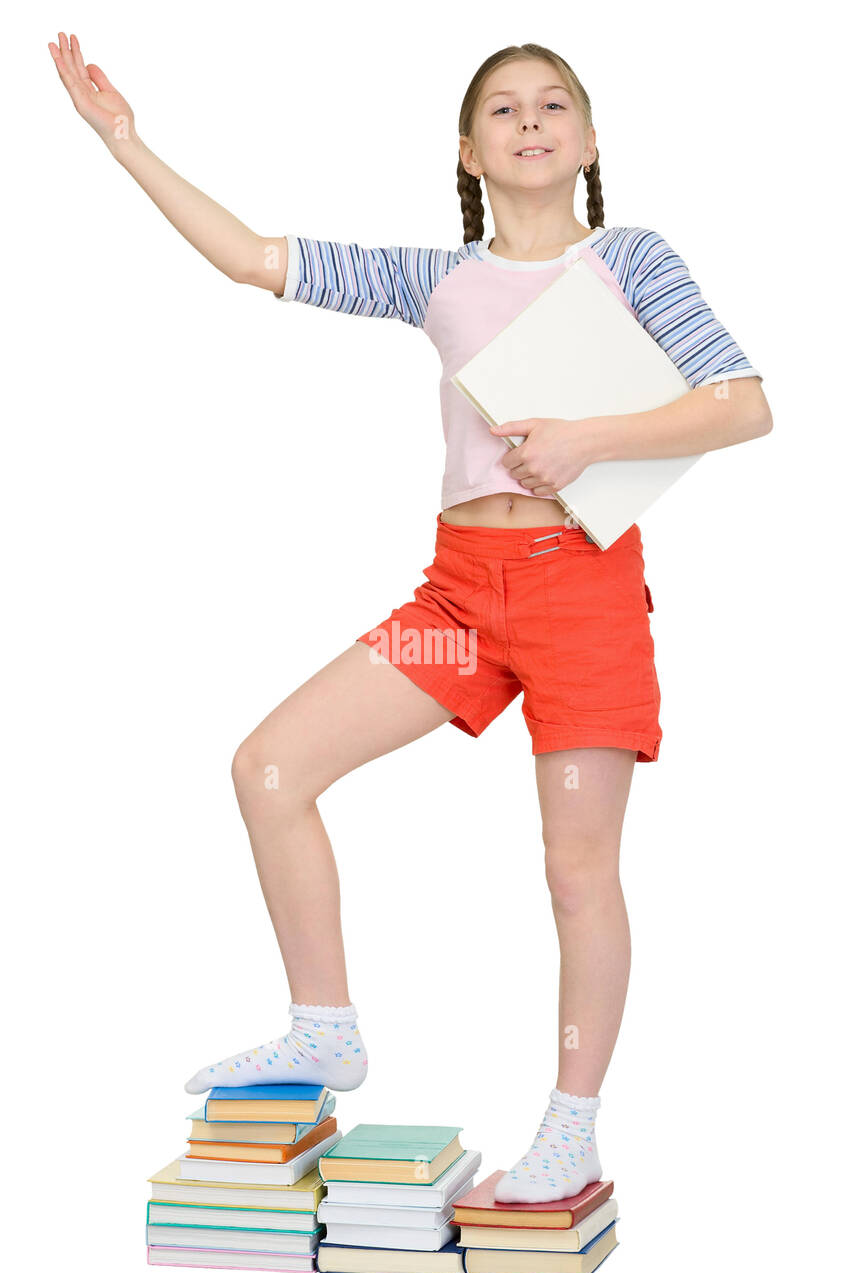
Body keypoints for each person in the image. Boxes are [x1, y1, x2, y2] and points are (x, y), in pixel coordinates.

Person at [48, 34, 772, 1203]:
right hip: (461, 606)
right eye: (501, 108)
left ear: (586, 144)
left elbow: (739, 405)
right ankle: (323, 1027)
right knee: (271, 767)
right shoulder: (432, 281)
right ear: (467, 148)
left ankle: (571, 1127)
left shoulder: (630, 258)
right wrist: (122, 138)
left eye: (551, 107)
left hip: (579, 592)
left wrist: (589, 439)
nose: (527, 122)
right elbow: (253, 259)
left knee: (576, 871)